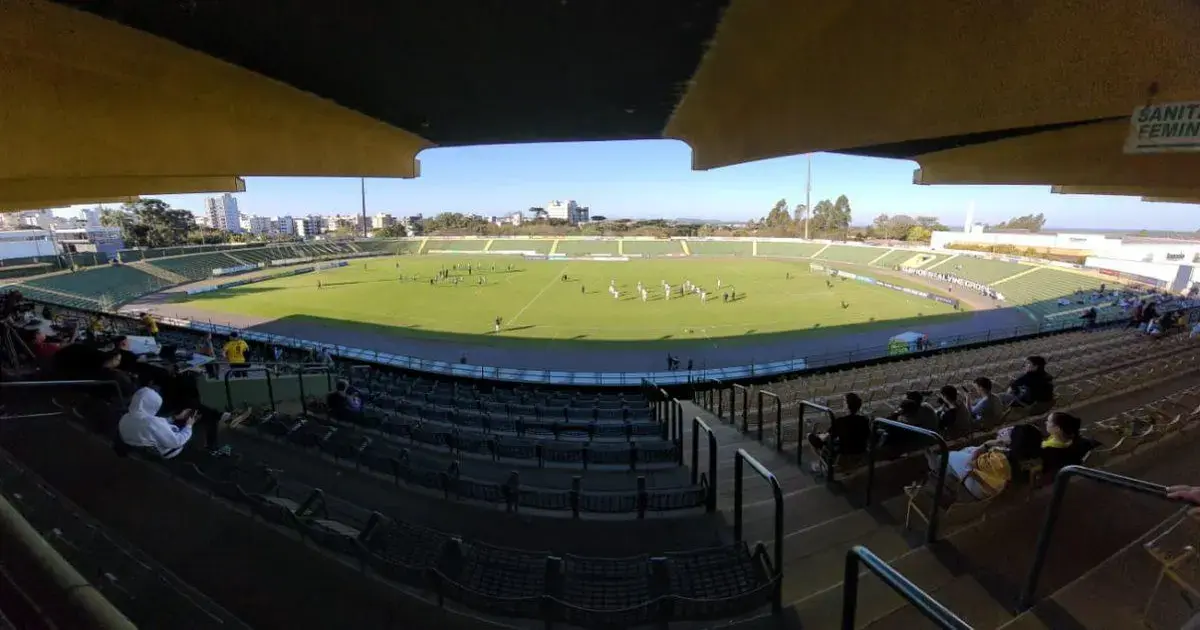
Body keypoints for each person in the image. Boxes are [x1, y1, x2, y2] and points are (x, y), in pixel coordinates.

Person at [926, 423, 1043, 501]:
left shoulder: (999, 458)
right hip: (995, 488)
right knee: (969, 450)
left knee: (948, 457)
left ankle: (934, 463)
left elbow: (971, 463)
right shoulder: (1032, 460)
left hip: (979, 488)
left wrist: (987, 444)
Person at [118, 387, 196, 458]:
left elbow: (154, 424)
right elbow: (176, 441)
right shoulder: (152, 423)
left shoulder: (124, 418)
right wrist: (189, 426)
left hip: (139, 453)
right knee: (190, 439)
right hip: (161, 456)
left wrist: (174, 418)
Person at [807, 393, 872, 474]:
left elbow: (826, 437)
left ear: (847, 405)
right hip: (860, 451)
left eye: (844, 401)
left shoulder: (840, 421)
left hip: (845, 453)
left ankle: (824, 464)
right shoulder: (864, 420)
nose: (842, 403)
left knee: (810, 437)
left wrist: (818, 435)